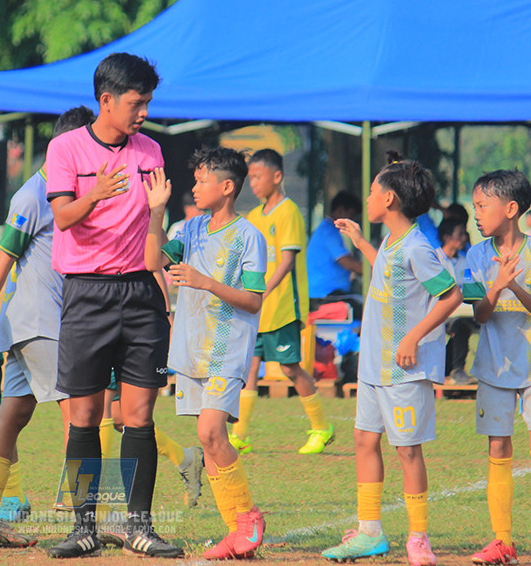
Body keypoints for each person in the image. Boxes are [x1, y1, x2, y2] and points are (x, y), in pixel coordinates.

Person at [44, 52, 182, 558]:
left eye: (147, 102)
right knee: (83, 414)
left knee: (140, 414)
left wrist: (158, 213)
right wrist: (97, 193)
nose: (143, 112)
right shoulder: (65, 149)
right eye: (135, 102)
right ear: (106, 100)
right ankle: (83, 529)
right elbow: (63, 219)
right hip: (86, 293)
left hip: (141, 293)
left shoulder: (151, 152)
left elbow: (153, 250)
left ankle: (139, 527)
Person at [323, 151, 461, 565]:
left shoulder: (418, 247)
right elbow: (385, 270)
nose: (366, 197)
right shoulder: (391, 240)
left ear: (390, 200)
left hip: (403, 368)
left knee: (407, 451)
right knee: (365, 440)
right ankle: (369, 532)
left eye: (371, 191)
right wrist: (362, 243)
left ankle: (418, 538)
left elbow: (450, 295)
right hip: (373, 367)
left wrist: (415, 336)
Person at [0, 107, 92, 548]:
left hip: (38, 324)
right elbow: (3, 259)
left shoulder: (72, 192)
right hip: (42, 323)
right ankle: (86, 518)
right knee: (80, 412)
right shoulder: (34, 194)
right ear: (64, 148)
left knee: (12, 415)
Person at [145, 148, 267, 560]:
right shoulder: (189, 228)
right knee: (213, 443)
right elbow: (153, 260)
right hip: (190, 350)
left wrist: (205, 281)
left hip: (225, 350)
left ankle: (248, 519)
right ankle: (236, 533)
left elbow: (253, 300)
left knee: (209, 433)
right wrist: (156, 214)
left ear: (227, 187)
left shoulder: (250, 236)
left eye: (202, 181)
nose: (194, 187)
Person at [464, 170, 531, 566]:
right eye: (475, 206)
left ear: (510, 209)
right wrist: (496, 285)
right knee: (498, 446)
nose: (475, 214)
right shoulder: (477, 256)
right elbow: (480, 314)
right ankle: (503, 541)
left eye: (482, 206)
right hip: (494, 365)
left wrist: (514, 286)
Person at [233, 149, 332, 456]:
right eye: (250, 178)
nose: (253, 183)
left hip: (282, 307)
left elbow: (286, 261)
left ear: (277, 176)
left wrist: (260, 292)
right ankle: (240, 435)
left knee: (289, 368)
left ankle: (320, 428)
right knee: (250, 368)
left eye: (258, 177)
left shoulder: (288, 212)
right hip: (258, 309)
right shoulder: (252, 217)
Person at [436, 218, 475, 385]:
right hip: (439, 312)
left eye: (464, 234)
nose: (464, 238)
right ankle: (456, 370)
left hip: (461, 310)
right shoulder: (434, 259)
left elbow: (469, 285)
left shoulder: (465, 262)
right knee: (460, 325)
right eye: (459, 234)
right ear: (446, 237)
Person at [307, 190, 363, 302]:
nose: (352, 221)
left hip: (326, 293)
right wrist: (374, 269)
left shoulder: (327, 229)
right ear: (341, 210)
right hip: (325, 294)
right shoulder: (329, 231)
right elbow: (347, 263)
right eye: (351, 215)